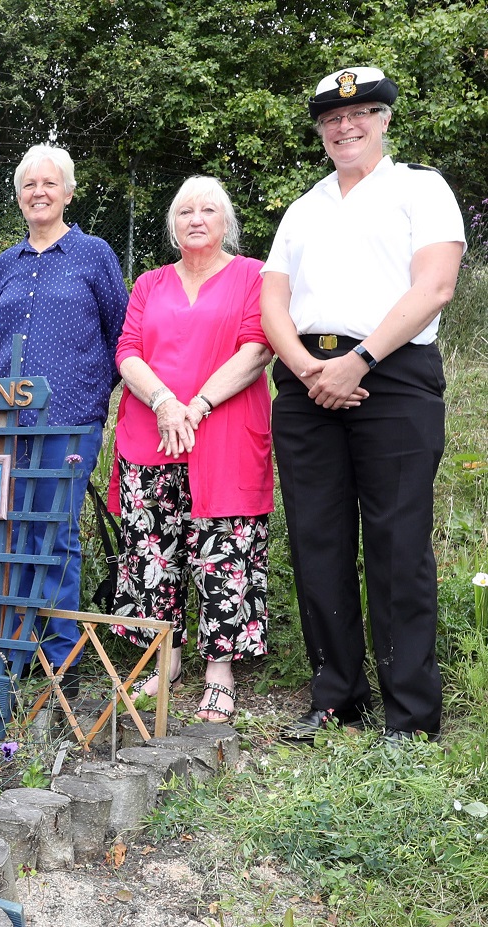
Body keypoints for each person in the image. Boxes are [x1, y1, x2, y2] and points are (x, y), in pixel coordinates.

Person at [261, 67, 465, 742]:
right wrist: (306, 368)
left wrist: (358, 360)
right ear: (320, 129)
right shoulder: (304, 206)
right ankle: (334, 695)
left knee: (395, 542)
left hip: (391, 376)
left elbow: (433, 286)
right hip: (305, 380)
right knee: (316, 541)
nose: (344, 126)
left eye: (360, 114)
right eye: (330, 119)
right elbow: (272, 300)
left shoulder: (420, 189)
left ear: (382, 119)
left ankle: (408, 713)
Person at [108, 177, 273, 722]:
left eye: (207, 209)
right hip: (150, 433)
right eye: (184, 211)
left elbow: (257, 348)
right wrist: (162, 403)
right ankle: (164, 661)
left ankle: (220, 673)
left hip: (223, 433)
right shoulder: (150, 283)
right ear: (172, 224)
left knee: (225, 546)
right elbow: (127, 349)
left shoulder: (253, 275)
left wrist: (194, 406)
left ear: (227, 221)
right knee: (153, 549)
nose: (195, 218)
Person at [0, 144, 128, 689]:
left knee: (57, 531)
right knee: (10, 531)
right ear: (19, 196)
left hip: (69, 421)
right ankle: (17, 645)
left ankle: (60, 652)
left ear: (68, 192)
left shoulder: (93, 254)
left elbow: (120, 338)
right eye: (29, 185)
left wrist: (91, 396)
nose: (38, 192)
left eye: (50, 183)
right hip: (5, 425)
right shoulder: (7, 262)